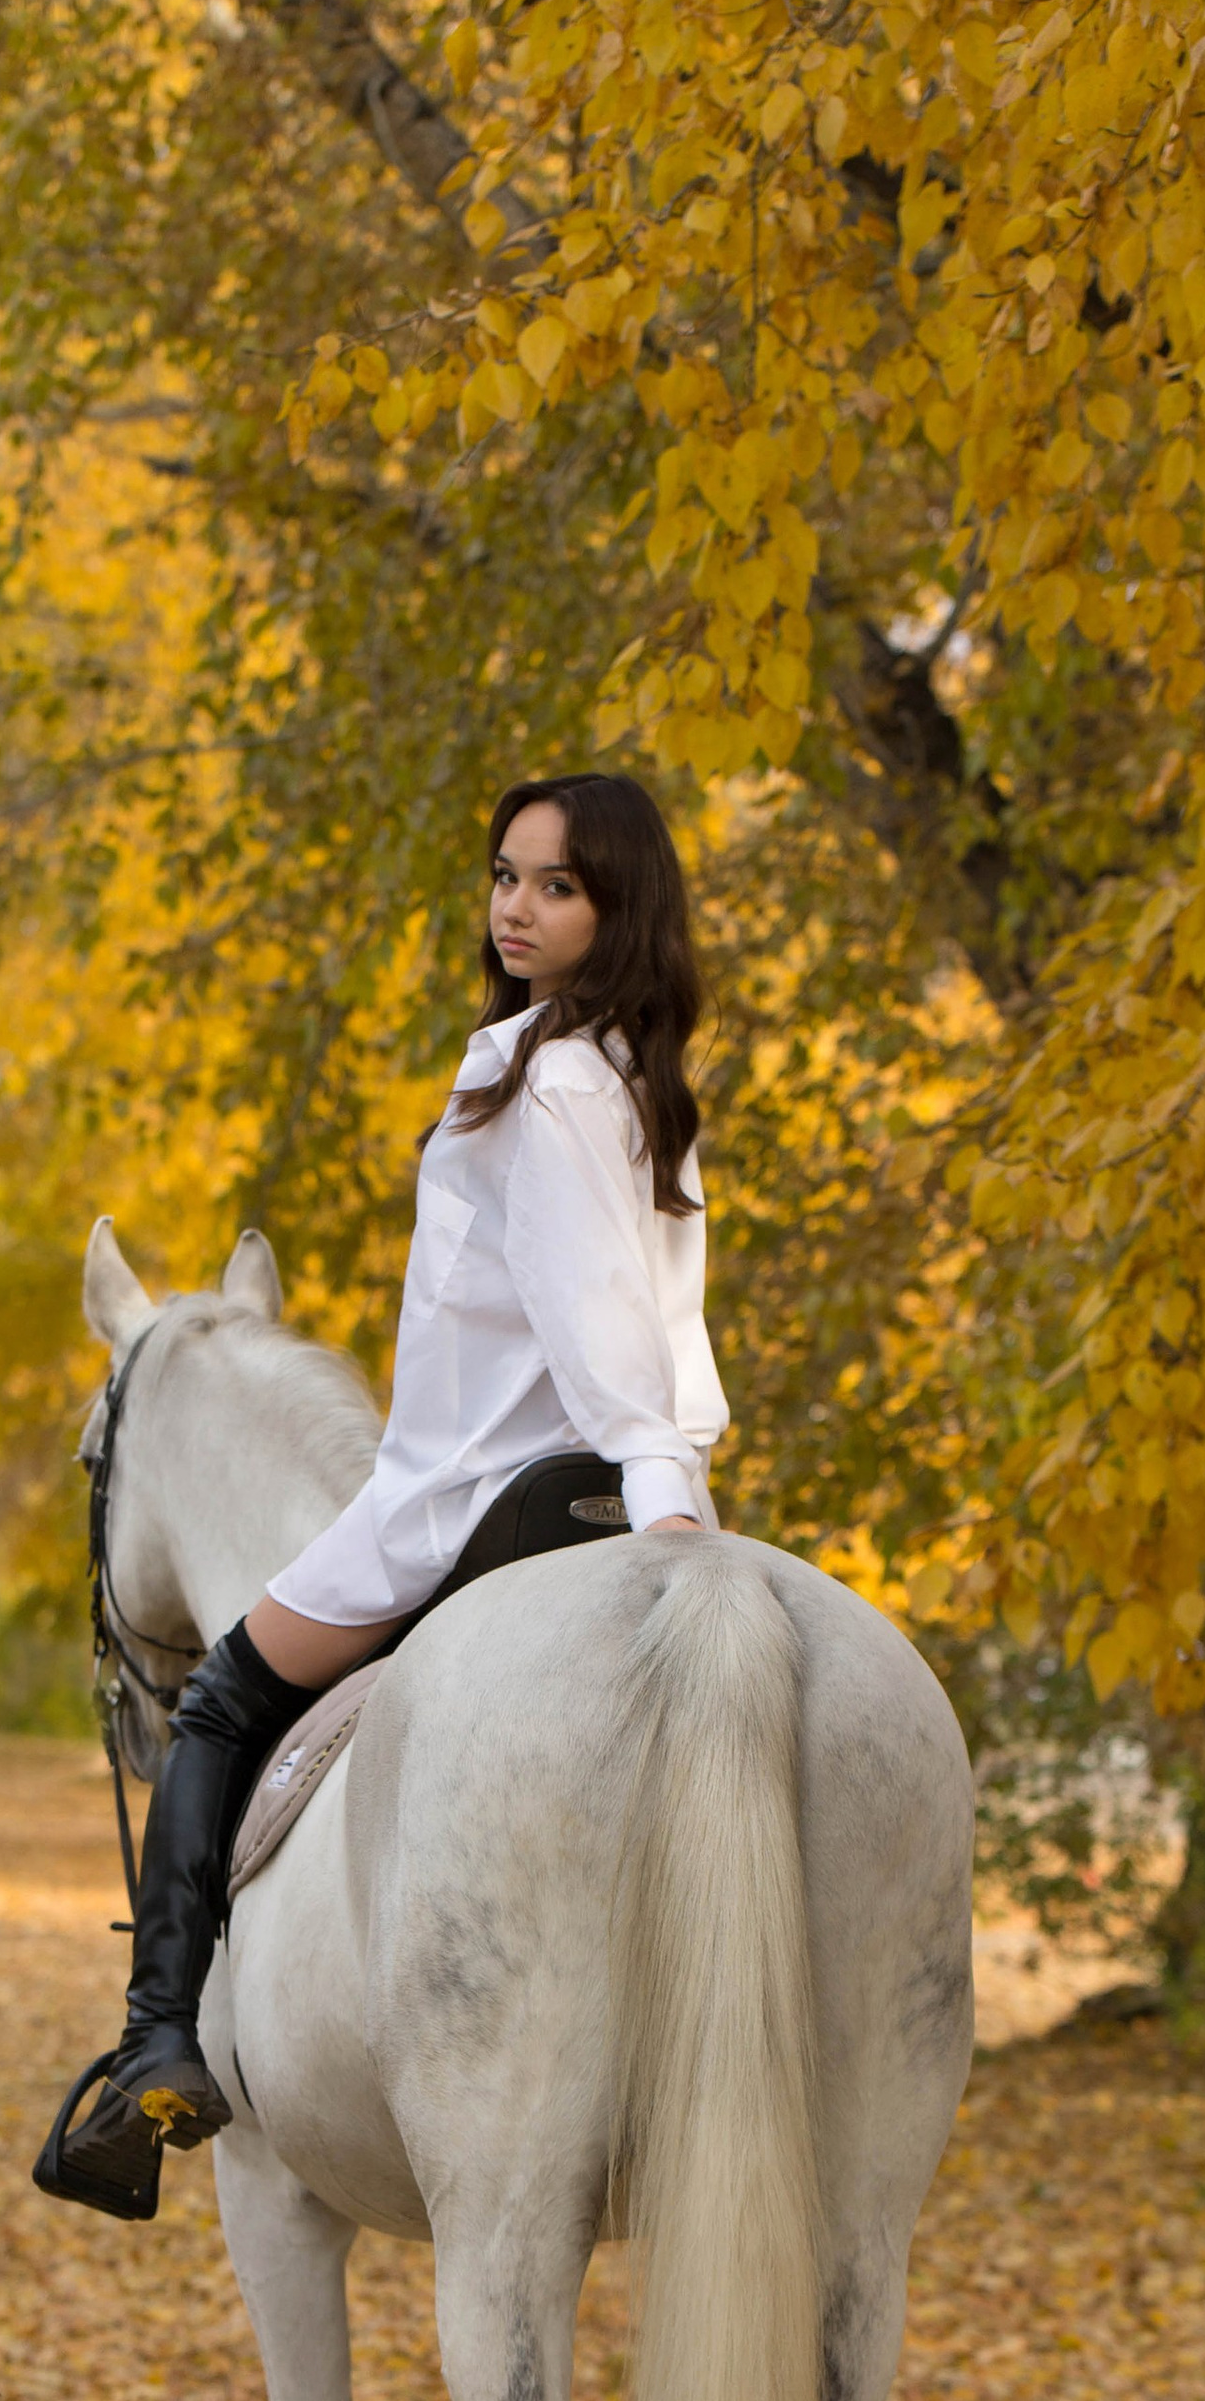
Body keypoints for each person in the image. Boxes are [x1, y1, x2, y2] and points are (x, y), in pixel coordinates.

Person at [43, 770, 727, 2218]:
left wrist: (654, 1480)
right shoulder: (644, 1086)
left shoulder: (529, 1080)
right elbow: (672, 1331)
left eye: (557, 885)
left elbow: (601, 1327)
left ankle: (155, 2045)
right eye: (505, 877)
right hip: (617, 1482)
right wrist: (677, 1488)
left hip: (475, 1495)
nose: (517, 909)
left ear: (619, 909)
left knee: (223, 1698)